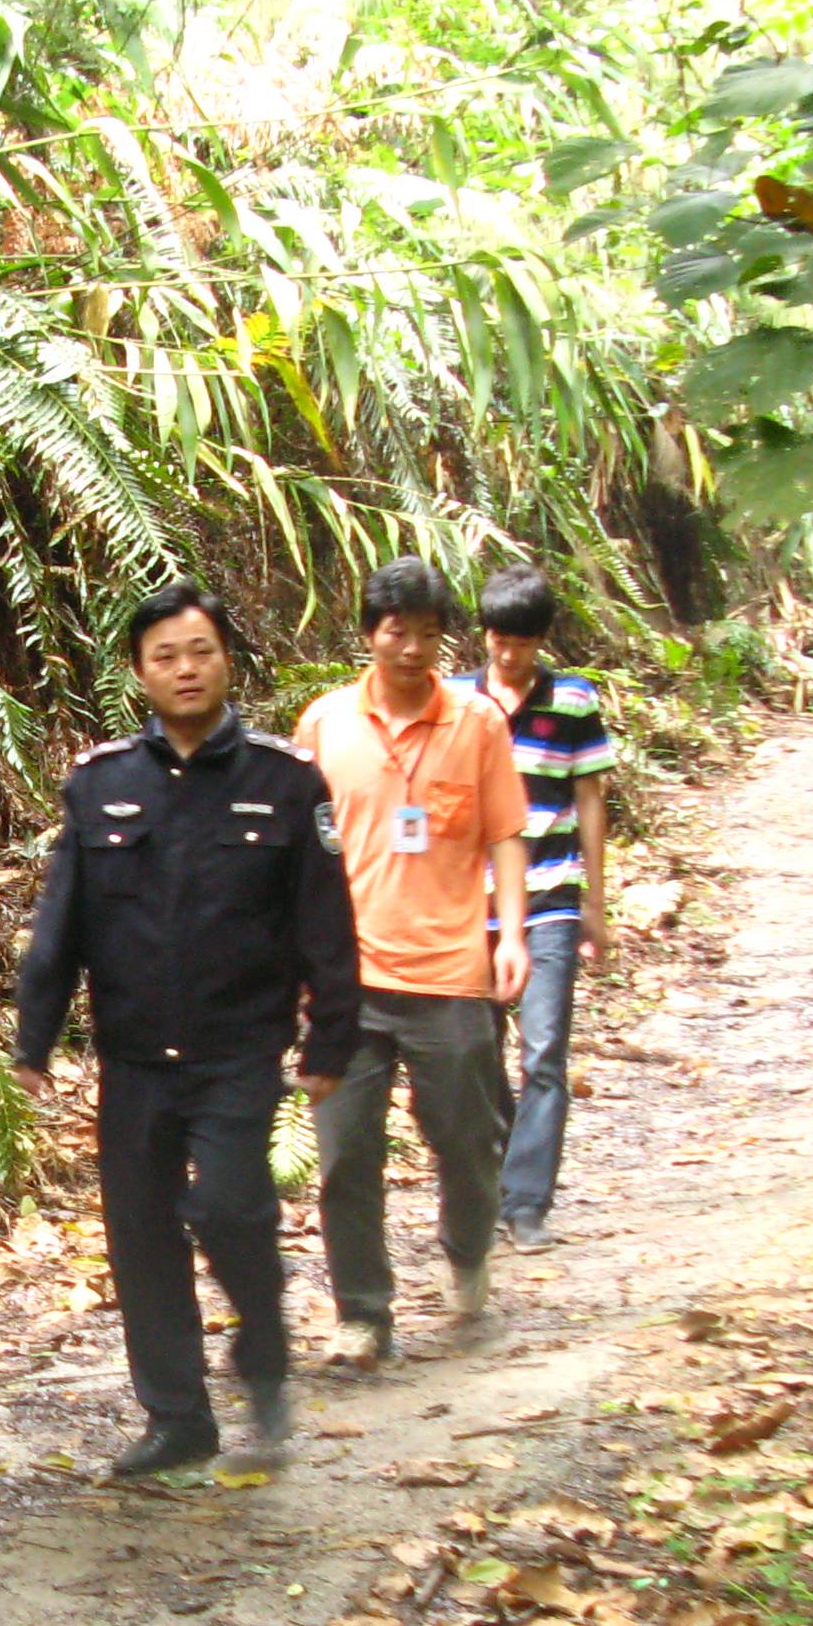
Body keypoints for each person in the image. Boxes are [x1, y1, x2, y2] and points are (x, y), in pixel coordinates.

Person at [13, 584, 360, 1481]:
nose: (185, 669)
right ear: (138, 672)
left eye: (200, 651)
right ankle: (177, 1418)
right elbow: (63, 924)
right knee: (141, 1237)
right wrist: (33, 1042)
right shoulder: (102, 786)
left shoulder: (285, 782)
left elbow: (326, 922)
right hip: (133, 1059)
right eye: (165, 655)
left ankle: (264, 1344)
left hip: (240, 1050)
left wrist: (331, 1039)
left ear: (227, 661)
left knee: (228, 1207)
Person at [289, 557, 528, 1371]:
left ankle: (466, 1250)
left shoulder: (479, 723)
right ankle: (363, 1313)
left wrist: (516, 935)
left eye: (430, 634)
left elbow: (505, 834)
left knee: (467, 1141)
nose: (414, 649)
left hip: (454, 970)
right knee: (346, 1153)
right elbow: (297, 849)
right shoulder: (324, 724)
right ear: (369, 634)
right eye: (398, 631)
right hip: (347, 979)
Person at [458, 565, 616, 1250]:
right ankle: (495, 1178)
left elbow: (589, 800)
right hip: (472, 903)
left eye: (521, 641)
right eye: (497, 637)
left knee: (544, 1048)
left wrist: (597, 905)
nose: (507, 652)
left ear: (541, 639)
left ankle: (525, 1204)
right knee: (474, 1051)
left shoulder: (573, 701)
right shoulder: (457, 701)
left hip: (550, 894)